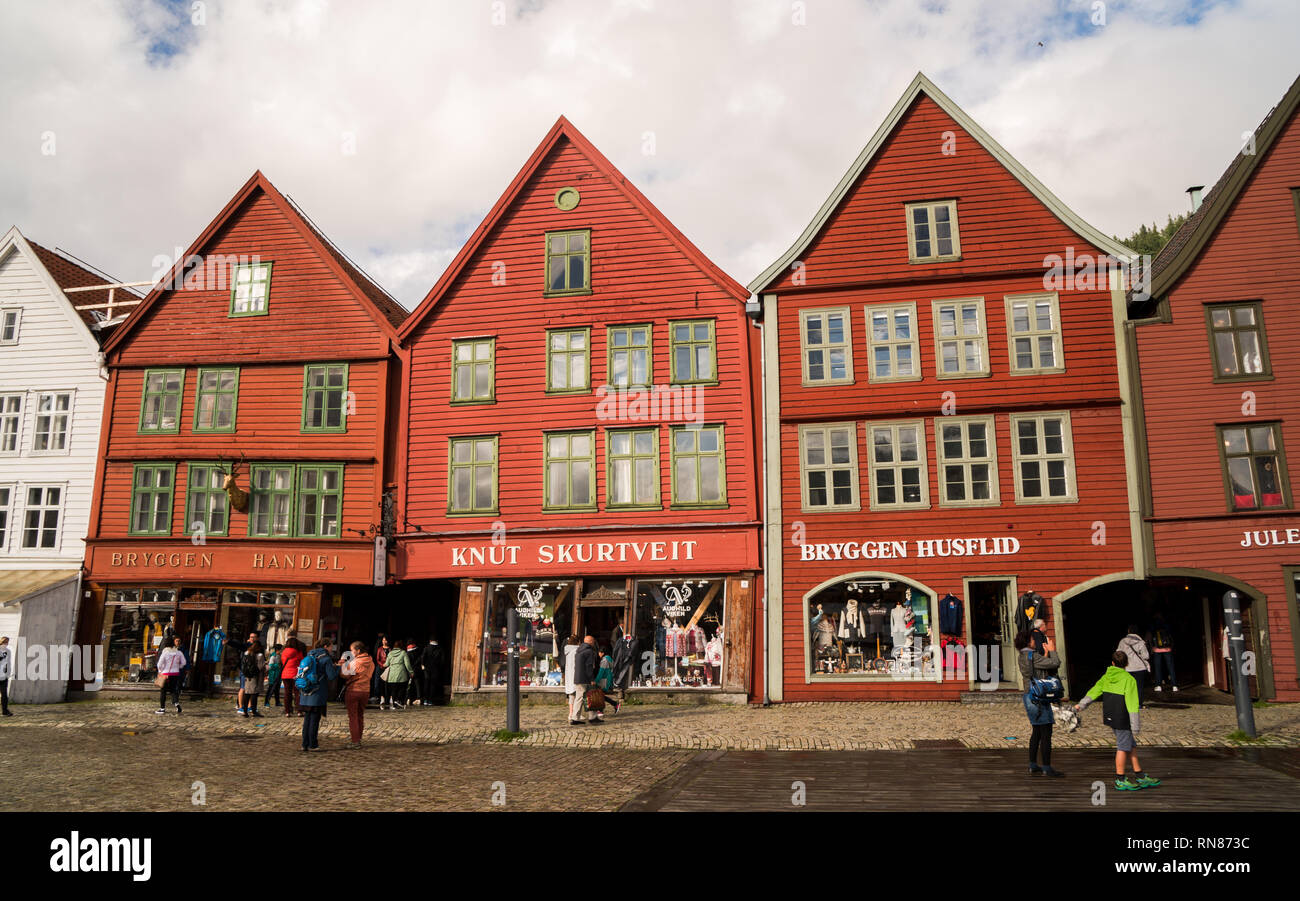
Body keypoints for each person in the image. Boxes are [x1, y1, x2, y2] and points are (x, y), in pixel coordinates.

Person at [1073, 650, 1161, 791]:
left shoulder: (1106, 677)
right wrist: (1135, 725)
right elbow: (1132, 704)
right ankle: (1120, 779)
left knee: (1130, 745)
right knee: (1123, 747)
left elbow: (1094, 691)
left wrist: (1080, 705)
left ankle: (1140, 775)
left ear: (1113, 663)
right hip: (1122, 718)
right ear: (1127, 663)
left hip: (1110, 716)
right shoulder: (1129, 679)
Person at [1014, 629, 1063, 777]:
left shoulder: (1023, 656)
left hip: (1029, 694)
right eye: (1033, 639)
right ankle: (1047, 767)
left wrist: (1045, 654)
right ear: (1028, 641)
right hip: (1038, 696)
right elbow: (1055, 663)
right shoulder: (1033, 656)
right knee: (1046, 732)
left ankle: (1032, 764)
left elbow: (1039, 667)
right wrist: (1052, 650)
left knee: (1036, 731)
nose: (1035, 641)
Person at [297, 638, 339, 752]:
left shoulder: (310, 655)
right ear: (325, 646)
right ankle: (313, 744)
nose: (332, 649)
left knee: (307, 719)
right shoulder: (325, 658)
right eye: (331, 646)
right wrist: (338, 667)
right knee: (315, 719)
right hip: (317, 693)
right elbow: (331, 676)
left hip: (305, 692)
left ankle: (304, 744)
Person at [341, 641, 375, 749]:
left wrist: (343, 664)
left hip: (354, 690)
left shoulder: (355, 662)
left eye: (352, 650)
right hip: (365, 691)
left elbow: (345, 675)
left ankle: (355, 741)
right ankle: (358, 738)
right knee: (360, 715)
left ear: (358, 651)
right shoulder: (371, 661)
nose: (351, 652)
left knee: (353, 717)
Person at [1117, 625, 1151, 707]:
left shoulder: (1122, 641)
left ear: (1128, 631)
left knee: (1127, 687)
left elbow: (1118, 653)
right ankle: (1138, 704)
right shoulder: (1141, 642)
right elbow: (1146, 656)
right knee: (1139, 687)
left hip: (1126, 667)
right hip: (1139, 668)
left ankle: (1126, 703)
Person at [571, 634, 599, 725]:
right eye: (593, 641)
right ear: (590, 642)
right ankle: (590, 717)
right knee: (591, 696)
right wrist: (592, 678)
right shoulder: (589, 651)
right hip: (585, 678)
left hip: (578, 677)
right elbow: (589, 666)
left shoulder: (579, 650)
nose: (594, 643)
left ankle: (576, 717)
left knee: (579, 697)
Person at [155, 636, 186, 715]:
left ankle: (162, 709)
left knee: (163, 691)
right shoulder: (178, 652)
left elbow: (159, 664)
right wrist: (178, 667)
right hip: (175, 674)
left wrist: (160, 671)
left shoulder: (165, 652)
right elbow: (184, 663)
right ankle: (177, 704)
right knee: (173, 690)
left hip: (166, 674)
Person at [380, 638, 412, 710]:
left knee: (393, 689)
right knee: (402, 687)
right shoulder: (403, 653)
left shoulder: (390, 653)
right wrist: (411, 672)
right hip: (401, 673)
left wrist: (382, 665)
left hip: (392, 674)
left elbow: (386, 664)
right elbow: (407, 664)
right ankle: (398, 700)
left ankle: (394, 704)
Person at [1149, 615, 1178, 692]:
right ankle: (1174, 685)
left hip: (1157, 649)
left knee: (1158, 668)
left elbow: (1150, 635)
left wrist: (1152, 647)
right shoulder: (1167, 624)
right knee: (1171, 667)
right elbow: (1172, 635)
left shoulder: (1153, 625)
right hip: (1167, 649)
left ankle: (1158, 685)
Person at [237, 639, 265, 717]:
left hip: (247, 676)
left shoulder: (247, 653)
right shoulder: (259, 655)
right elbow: (260, 667)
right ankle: (253, 711)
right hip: (255, 676)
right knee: (254, 694)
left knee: (247, 693)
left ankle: (245, 711)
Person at [594, 646, 621, 719]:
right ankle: (614, 704)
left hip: (604, 680)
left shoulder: (604, 660)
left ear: (602, 653)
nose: (598, 654)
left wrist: (596, 681)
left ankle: (601, 710)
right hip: (608, 679)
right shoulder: (610, 659)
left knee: (599, 695)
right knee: (601, 695)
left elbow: (601, 672)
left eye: (599, 652)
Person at [563, 635, 584, 725]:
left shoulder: (567, 650)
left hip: (569, 675)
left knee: (572, 694)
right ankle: (576, 714)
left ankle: (571, 713)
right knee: (579, 694)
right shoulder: (577, 650)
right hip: (576, 674)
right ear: (577, 642)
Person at [280, 638, 304, 717]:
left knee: (287, 693)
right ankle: (299, 711)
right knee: (297, 693)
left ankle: (287, 711)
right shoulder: (298, 652)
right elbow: (302, 663)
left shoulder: (283, 652)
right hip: (295, 674)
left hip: (285, 674)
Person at [419, 636, 444, 706]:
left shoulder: (426, 648)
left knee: (426, 683)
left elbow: (423, 657)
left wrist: (422, 664)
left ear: (430, 641)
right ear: (436, 640)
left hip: (427, 668)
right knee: (433, 684)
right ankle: (430, 700)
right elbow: (442, 660)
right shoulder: (440, 649)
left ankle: (425, 700)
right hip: (435, 668)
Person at [371, 634, 389, 702]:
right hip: (380, 666)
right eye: (383, 640)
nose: (384, 641)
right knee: (377, 681)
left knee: (386, 682)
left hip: (387, 667)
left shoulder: (390, 649)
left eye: (385, 640)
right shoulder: (379, 649)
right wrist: (382, 665)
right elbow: (377, 659)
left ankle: (386, 696)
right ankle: (377, 696)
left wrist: (387, 665)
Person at [0, 636, 12, 716]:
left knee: (4, 695)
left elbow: (8, 663)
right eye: (5, 642)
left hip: (3, 676)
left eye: (7, 642)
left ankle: (5, 711)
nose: (6, 644)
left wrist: (8, 673)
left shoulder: (8, 651)